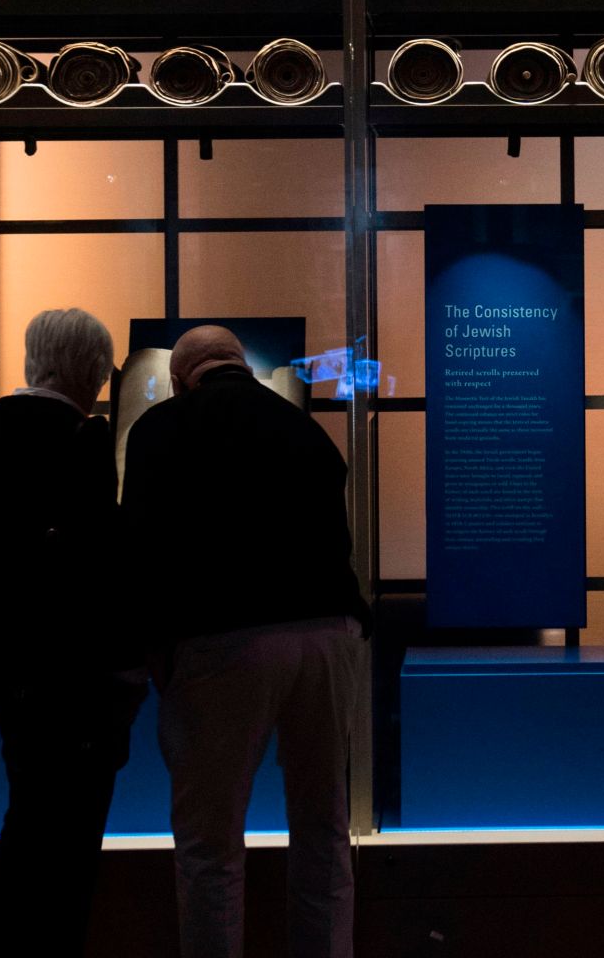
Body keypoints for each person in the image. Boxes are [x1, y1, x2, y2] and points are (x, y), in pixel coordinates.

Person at [125, 325, 370, 958]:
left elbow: (143, 554)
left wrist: (155, 655)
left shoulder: (161, 430)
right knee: (323, 829)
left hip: (222, 644)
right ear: (242, 367)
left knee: (212, 845)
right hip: (328, 636)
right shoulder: (305, 430)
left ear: (180, 380)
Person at [0, 307, 144, 958]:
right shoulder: (82, 439)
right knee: (63, 844)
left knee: (27, 818)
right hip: (73, 678)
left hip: (5, 666)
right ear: (89, 368)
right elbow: (98, 564)